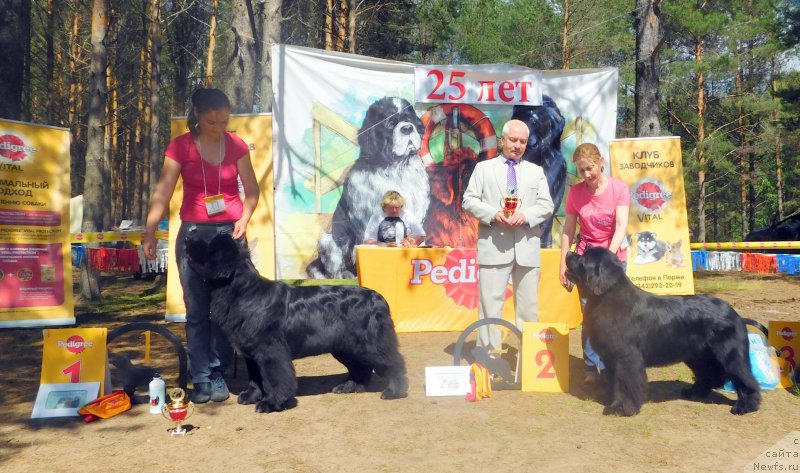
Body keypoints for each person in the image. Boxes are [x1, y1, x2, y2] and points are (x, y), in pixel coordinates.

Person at [142, 88, 260, 404]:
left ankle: (219, 373)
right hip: (194, 237)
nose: (220, 127)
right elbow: (162, 193)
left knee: (224, 310)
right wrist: (149, 232)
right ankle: (201, 378)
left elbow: (251, 189)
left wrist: (245, 218)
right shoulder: (180, 147)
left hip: (230, 236)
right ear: (196, 115)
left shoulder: (235, 145)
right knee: (196, 311)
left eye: (225, 121)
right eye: (212, 122)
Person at [463, 119, 554, 352]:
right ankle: (488, 357)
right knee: (490, 306)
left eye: (522, 142)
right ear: (503, 140)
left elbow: (546, 205)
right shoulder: (483, 168)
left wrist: (525, 215)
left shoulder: (536, 172)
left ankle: (530, 359)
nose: (517, 145)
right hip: (493, 246)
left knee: (528, 308)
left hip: (527, 247)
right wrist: (493, 213)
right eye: (513, 140)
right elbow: (469, 201)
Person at [559, 142, 630, 385]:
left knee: (615, 316)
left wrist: (607, 259)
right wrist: (563, 264)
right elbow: (568, 229)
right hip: (586, 264)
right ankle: (591, 367)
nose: (587, 175)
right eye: (581, 171)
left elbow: (621, 226)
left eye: (590, 168)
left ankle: (614, 366)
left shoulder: (619, 189)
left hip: (612, 261)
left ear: (600, 161)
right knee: (590, 313)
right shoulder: (576, 193)